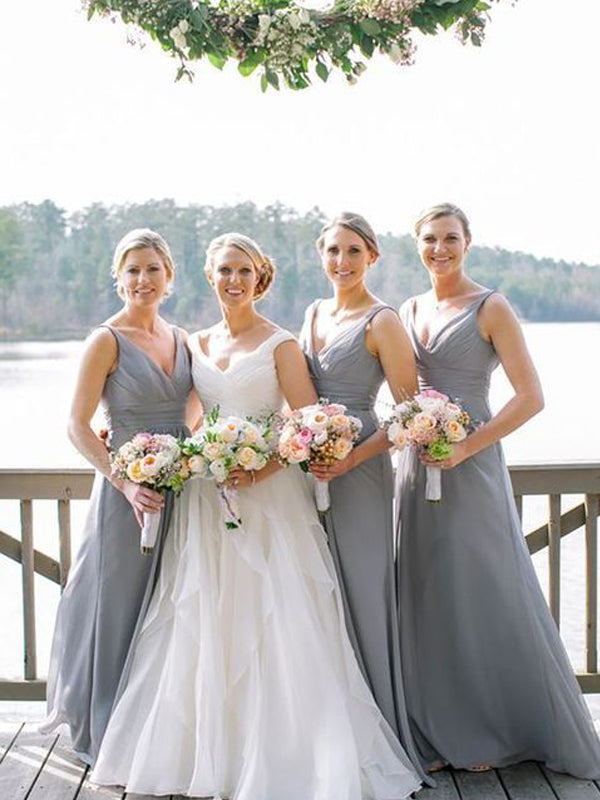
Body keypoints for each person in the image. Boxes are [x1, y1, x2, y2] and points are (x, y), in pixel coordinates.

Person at [90, 233, 421, 800]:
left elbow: (305, 424)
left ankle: (286, 754)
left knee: (276, 617)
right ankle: (210, 753)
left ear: (259, 276)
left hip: (269, 501)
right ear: (209, 277)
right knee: (204, 615)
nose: (233, 281)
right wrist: (128, 434)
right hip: (204, 500)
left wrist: (258, 468)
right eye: (223, 271)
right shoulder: (195, 343)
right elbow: (190, 415)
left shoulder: (281, 344)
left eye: (243, 270)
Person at [396, 202, 600, 777]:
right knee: (426, 591)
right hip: (416, 466)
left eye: (450, 238)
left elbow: (530, 397)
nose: (440, 248)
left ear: (469, 242)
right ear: (417, 245)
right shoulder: (408, 309)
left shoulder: (491, 306)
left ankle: (499, 728)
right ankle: (436, 728)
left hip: (472, 464)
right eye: (430, 239)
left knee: (481, 587)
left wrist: (465, 446)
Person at [40, 229, 195, 765]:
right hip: (125, 493)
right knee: (118, 602)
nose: (142, 280)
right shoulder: (105, 340)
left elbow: (190, 412)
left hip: (179, 488)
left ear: (169, 277)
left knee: (167, 604)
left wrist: (192, 455)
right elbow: (77, 425)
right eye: (132, 270)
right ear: (118, 277)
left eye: (153, 269)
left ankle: (153, 724)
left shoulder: (181, 339)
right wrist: (124, 479)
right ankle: (103, 726)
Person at [299, 212, 426, 778]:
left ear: (372, 256)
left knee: (362, 593)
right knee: (317, 595)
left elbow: (408, 414)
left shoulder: (383, 321)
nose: (342, 263)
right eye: (332, 251)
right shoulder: (312, 313)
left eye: (353, 252)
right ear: (320, 256)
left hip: (361, 472)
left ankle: (383, 732)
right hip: (310, 474)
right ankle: (326, 729)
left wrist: (349, 457)